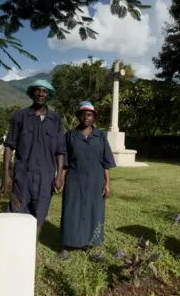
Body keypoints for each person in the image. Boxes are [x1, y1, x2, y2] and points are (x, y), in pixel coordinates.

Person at [2, 79, 65, 242]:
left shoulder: (56, 120)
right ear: (32, 93)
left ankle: (31, 248)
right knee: (17, 208)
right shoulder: (20, 116)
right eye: (38, 90)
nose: (41, 94)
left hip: (46, 175)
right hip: (23, 174)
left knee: (40, 210)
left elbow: (60, 150)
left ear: (49, 95)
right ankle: (14, 244)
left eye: (45, 91)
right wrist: (6, 174)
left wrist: (59, 177)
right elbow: (9, 145)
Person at [57, 101, 116, 259]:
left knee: (94, 212)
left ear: (94, 117)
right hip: (74, 181)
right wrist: (61, 180)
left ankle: (91, 245)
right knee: (71, 210)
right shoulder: (70, 135)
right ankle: (66, 245)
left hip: (96, 181)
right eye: (83, 114)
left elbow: (106, 162)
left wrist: (108, 183)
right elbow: (65, 162)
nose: (86, 117)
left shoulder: (100, 136)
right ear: (78, 116)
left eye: (89, 115)